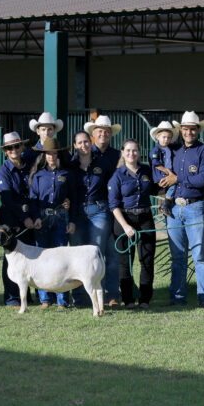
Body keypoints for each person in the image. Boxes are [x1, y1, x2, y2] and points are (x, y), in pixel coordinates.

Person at [158, 111, 204, 308]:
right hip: (174, 208)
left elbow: (203, 180)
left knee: (200, 255)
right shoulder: (173, 150)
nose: (189, 132)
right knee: (177, 256)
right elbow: (158, 156)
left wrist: (177, 179)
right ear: (180, 130)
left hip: (195, 207)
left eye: (192, 129)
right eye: (185, 129)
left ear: (198, 130)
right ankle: (177, 298)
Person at [68, 130, 117, 307]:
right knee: (77, 256)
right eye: (79, 143)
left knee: (97, 253)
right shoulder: (70, 165)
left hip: (100, 210)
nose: (84, 145)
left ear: (91, 142)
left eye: (86, 142)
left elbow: (112, 186)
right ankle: (80, 299)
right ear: (75, 145)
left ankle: (100, 298)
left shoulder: (103, 163)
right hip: (77, 213)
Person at [28, 137, 78, 309]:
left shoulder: (66, 174)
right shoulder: (38, 176)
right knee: (42, 258)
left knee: (60, 258)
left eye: (54, 153)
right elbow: (33, 199)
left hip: (60, 218)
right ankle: (45, 299)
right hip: (42, 218)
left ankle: (62, 300)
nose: (51, 156)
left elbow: (74, 199)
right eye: (48, 153)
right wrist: (35, 218)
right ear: (44, 155)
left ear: (58, 155)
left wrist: (71, 220)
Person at [108, 139, 158, 309]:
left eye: (135, 150)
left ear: (139, 152)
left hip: (145, 218)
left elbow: (158, 188)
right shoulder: (117, 176)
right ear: (123, 152)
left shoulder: (146, 171)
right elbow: (113, 205)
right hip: (124, 219)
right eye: (128, 150)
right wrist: (126, 226)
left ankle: (145, 299)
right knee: (125, 262)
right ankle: (128, 300)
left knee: (147, 260)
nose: (131, 154)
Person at [83, 114, 122, 306]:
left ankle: (113, 293)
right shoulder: (87, 153)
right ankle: (99, 293)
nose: (103, 134)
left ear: (110, 134)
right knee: (97, 252)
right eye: (99, 131)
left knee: (113, 253)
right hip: (96, 208)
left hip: (114, 208)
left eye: (106, 131)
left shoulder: (118, 155)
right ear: (93, 134)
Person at [0, 132, 35, 308]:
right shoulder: (3, 171)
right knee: (11, 259)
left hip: (29, 218)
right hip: (11, 220)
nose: (14, 150)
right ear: (4, 151)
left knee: (29, 257)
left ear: (22, 147)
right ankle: (12, 298)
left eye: (16, 146)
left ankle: (28, 296)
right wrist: (24, 217)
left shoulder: (30, 166)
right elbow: (9, 200)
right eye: (9, 147)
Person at [149, 121, 179, 219]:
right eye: (164, 137)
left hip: (167, 173)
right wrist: (169, 172)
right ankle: (165, 204)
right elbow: (156, 164)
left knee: (175, 185)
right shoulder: (156, 150)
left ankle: (166, 206)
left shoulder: (169, 149)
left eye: (169, 137)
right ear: (157, 137)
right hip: (161, 175)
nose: (166, 140)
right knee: (174, 184)